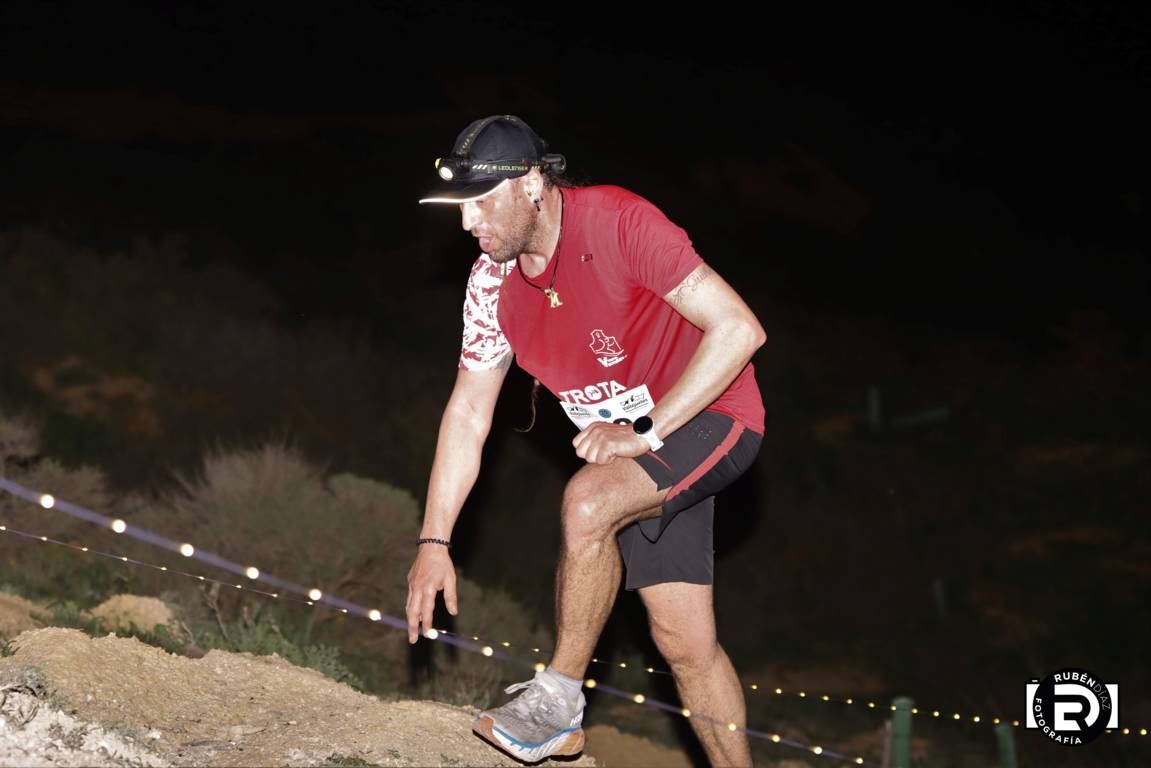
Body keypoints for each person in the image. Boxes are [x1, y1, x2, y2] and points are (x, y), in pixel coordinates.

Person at [409, 114, 766, 766]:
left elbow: (739, 329)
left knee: (587, 502)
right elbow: (468, 413)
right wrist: (434, 541)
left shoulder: (618, 223)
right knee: (684, 645)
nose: (467, 222)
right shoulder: (491, 284)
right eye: (459, 206)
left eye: (480, 201)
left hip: (713, 415)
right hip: (637, 457)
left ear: (532, 184)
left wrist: (645, 430)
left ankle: (557, 700)